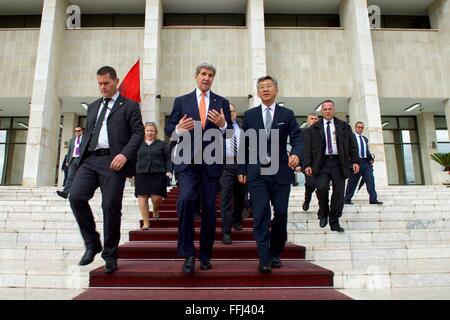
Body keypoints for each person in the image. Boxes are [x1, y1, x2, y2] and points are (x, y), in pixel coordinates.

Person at [69, 66, 144, 273]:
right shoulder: (92, 106)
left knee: (110, 206)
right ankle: (92, 242)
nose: (102, 87)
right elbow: (89, 133)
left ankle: (110, 254)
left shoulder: (129, 106)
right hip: (91, 160)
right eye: (100, 84)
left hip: (114, 162)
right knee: (75, 196)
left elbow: (138, 133)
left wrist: (124, 154)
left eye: (106, 83)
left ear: (116, 82)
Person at [165, 62, 232, 274]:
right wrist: (177, 129)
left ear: (213, 78)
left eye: (210, 75)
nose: (206, 78)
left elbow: (229, 134)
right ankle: (187, 253)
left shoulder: (221, 102)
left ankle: (205, 255)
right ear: (196, 76)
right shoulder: (181, 101)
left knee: (210, 210)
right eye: (203, 74)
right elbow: (169, 129)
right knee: (185, 200)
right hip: (187, 163)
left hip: (211, 165)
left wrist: (222, 124)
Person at [238, 76, 303, 273]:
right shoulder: (249, 116)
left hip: (280, 172)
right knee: (260, 213)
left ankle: (276, 251)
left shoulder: (287, 114)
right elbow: (244, 145)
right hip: (257, 173)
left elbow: (298, 138)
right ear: (258, 93)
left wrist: (297, 154)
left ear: (276, 90)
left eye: (269, 86)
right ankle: (264, 256)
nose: (265, 90)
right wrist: (242, 168)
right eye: (261, 87)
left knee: (281, 212)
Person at [303, 100, 359, 233]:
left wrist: (355, 161)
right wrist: (307, 164)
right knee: (321, 188)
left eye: (330, 109)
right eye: (325, 109)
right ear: (322, 111)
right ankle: (323, 212)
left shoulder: (344, 126)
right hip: (321, 164)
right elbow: (307, 149)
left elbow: (352, 145)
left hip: (339, 163)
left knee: (339, 194)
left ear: (334, 110)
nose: (327, 111)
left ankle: (334, 221)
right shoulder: (313, 128)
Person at [135, 122, 172, 230]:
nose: (150, 132)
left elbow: (168, 159)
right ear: (144, 132)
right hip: (141, 173)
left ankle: (155, 209)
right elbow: (133, 158)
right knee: (142, 197)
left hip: (158, 173)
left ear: (155, 132)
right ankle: (146, 223)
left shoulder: (162, 144)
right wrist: (130, 172)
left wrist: (169, 170)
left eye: (152, 130)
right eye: (148, 130)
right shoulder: (138, 144)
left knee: (157, 198)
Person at [220, 103, 246, 245]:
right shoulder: (219, 128)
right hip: (226, 165)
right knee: (225, 197)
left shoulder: (243, 128)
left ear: (236, 113)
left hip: (242, 164)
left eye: (232, 111)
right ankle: (226, 231)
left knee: (241, 196)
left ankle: (237, 220)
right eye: (227, 112)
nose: (230, 114)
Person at [344, 121, 383, 205]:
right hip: (356, 162)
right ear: (355, 128)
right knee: (353, 182)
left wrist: (370, 158)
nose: (360, 129)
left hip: (366, 163)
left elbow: (366, 151)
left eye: (362, 127)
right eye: (358, 127)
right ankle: (347, 199)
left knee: (370, 180)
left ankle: (373, 199)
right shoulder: (351, 137)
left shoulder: (365, 139)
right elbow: (348, 151)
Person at [56, 127, 84, 199]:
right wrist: (67, 161)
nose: (77, 132)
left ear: (81, 131)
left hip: (81, 160)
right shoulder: (72, 140)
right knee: (70, 177)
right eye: (76, 131)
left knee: (81, 177)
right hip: (72, 160)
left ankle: (80, 192)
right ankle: (65, 193)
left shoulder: (85, 139)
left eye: (79, 131)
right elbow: (69, 151)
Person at [300, 113, 319, 211]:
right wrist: (299, 163)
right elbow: (299, 148)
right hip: (308, 164)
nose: (314, 120)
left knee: (321, 187)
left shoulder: (322, 131)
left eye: (316, 119)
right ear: (307, 121)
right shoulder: (302, 132)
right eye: (312, 119)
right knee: (311, 184)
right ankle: (307, 200)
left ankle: (322, 210)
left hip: (321, 164)